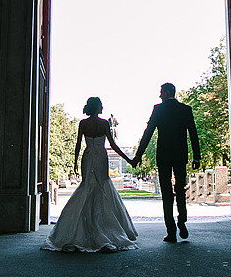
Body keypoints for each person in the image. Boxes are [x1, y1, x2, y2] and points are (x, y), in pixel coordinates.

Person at [41, 97, 138, 252]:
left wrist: (74, 162)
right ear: (97, 107)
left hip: (88, 155)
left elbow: (79, 144)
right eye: (101, 105)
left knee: (86, 186)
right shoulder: (105, 123)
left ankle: (81, 228)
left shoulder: (83, 124)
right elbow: (113, 145)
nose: (103, 107)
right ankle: (106, 228)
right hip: (101, 156)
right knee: (103, 186)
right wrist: (129, 160)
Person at [131, 82, 200, 243]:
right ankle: (182, 221)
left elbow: (148, 133)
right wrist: (196, 157)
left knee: (166, 194)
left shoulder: (158, 109)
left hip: (163, 156)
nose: (159, 95)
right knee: (181, 190)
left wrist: (139, 155)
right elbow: (193, 134)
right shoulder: (185, 109)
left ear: (167, 92)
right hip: (180, 155)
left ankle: (171, 232)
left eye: (161, 92)